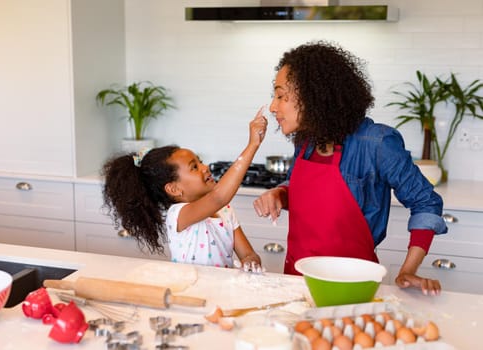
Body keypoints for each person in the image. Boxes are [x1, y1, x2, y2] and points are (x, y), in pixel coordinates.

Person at [252, 40, 447, 295]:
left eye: (281, 95)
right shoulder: (307, 141)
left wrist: (408, 270)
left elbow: (425, 201)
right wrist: (280, 194)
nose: (274, 106)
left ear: (314, 95)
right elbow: (302, 190)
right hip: (297, 282)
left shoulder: (376, 143)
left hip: (353, 285)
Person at [102, 111, 268, 271]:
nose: (205, 167)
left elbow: (248, 254)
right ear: (174, 189)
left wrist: (251, 261)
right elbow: (218, 197)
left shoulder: (225, 211)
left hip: (220, 293)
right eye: (194, 167)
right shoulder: (178, 215)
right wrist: (253, 145)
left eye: (201, 161)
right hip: (191, 294)